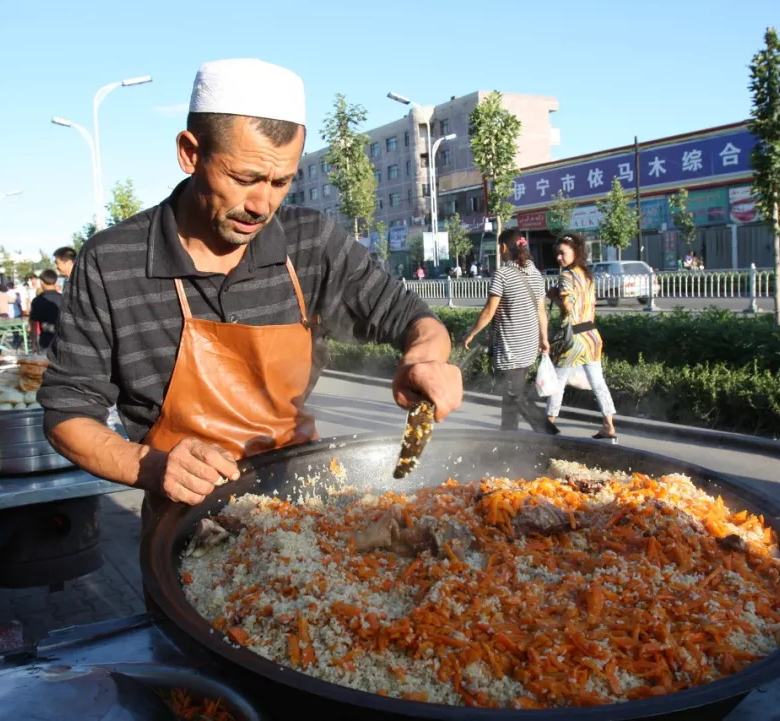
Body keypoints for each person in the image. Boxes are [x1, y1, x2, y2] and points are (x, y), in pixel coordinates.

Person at [38, 58, 462, 518]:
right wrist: (150, 465)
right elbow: (68, 413)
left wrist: (423, 359)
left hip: (306, 509)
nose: (262, 205)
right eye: (244, 179)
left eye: (281, 181)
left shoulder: (311, 243)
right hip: (183, 518)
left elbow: (414, 320)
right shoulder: (112, 260)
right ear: (190, 152)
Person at [462, 230, 557, 435]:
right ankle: (507, 436)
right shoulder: (535, 273)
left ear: (504, 247)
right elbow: (541, 312)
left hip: (512, 345)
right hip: (529, 344)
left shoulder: (503, 274)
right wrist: (544, 339)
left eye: (499, 247)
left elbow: (489, 311)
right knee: (511, 393)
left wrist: (471, 333)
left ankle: (549, 434)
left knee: (516, 395)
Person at [544, 234, 618, 441]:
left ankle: (548, 423)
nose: (559, 257)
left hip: (573, 336)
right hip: (592, 335)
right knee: (598, 382)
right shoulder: (587, 275)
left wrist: (553, 297)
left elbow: (568, 307)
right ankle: (608, 425)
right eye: (557, 253)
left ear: (575, 252)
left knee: (557, 380)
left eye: (562, 253)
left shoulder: (567, 276)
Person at [29, 269, 62, 350]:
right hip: (64, 341)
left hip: (46, 342)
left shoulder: (37, 301)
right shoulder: (64, 298)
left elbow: (33, 324)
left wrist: (33, 342)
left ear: (42, 282)